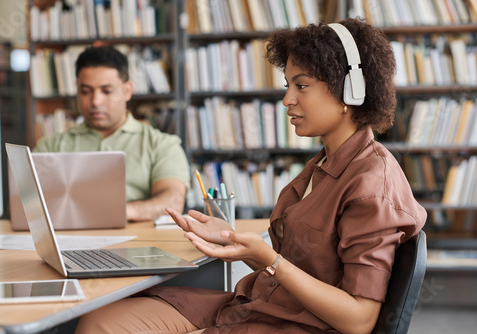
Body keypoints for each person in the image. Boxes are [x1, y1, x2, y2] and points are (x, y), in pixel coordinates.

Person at [75, 18, 426, 333]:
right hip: (258, 307)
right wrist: (233, 238)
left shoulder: (371, 183)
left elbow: (359, 320)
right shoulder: (323, 163)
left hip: (291, 324)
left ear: (350, 90)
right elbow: (302, 262)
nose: (287, 99)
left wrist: (269, 261)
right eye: (288, 85)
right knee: (99, 320)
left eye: (301, 86)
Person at [34, 46, 190, 222]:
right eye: (85, 91)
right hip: (68, 239)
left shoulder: (162, 145)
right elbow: (23, 204)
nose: (95, 101)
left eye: (107, 91)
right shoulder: (51, 146)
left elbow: (173, 201)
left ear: (127, 91)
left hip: (138, 242)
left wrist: (120, 212)